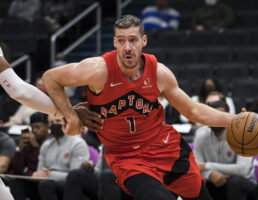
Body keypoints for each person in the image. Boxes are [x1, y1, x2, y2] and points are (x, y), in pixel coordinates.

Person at [42, 15, 238, 200]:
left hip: (164, 146)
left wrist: (234, 120)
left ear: (144, 41)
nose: (127, 47)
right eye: (121, 40)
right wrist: (71, 115)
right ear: (114, 43)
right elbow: (50, 78)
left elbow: (193, 111)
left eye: (133, 40)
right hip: (126, 156)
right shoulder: (97, 70)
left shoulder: (159, 73)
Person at [0, 46, 100, 200]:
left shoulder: (73, 143)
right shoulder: (48, 145)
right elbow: (18, 91)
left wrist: (67, 113)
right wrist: (68, 113)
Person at [194, 101, 256, 200]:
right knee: (195, 183)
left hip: (244, 184)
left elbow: (242, 170)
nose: (215, 119)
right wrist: (209, 174)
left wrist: (207, 166)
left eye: (219, 115)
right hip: (213, 182)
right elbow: (196, 167)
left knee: (234, 182)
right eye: (212, 115)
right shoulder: (201, 135)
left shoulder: (242, 135)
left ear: (227, 116)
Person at [33, 115, 90, 200]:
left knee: (45, 184)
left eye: (58, 121)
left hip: (70, 186)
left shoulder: (78, 144)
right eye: (51, 122)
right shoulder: (46, 145)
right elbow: (40, 171)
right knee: (17, 183)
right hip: (48, 183)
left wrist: (50, 174)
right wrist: (38, 175)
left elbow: (75, 177)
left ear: (67, 123)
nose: (54, 125)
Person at [9, 112, 49, 200]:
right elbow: (17, 170)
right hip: (31, 182)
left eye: (38, 127)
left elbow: (40, 168)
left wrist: (35, 147)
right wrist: (20, 148)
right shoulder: (28, 144)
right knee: (15, 183)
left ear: (47, 127)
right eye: (32, 127)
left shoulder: (52, 143)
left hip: (47, 183)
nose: (34, 130)